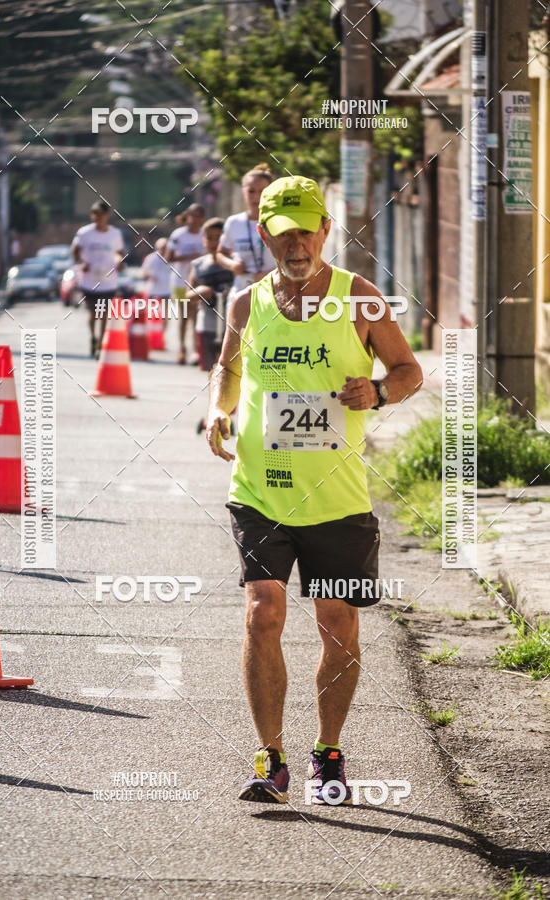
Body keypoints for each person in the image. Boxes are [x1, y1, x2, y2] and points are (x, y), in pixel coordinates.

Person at [206, 175, 423, 805]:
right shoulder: (248, 303)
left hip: (337, 499)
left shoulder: (360, 298)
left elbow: (408, 370)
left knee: (337, 623)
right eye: (282, 233)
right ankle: (269, 758)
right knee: (262, 612)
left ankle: (328, 750)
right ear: (266, 236)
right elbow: (228, 366)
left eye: (306, 229)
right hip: (260, 488)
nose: (295, 243)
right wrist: (217, 411)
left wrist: (379, 392)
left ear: (326, 229)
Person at [186, 218, 234, 432]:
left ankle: (228, 415)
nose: (214, 243)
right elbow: (184, 295)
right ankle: (213, 414)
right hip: (206, 325)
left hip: (230, 327)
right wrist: (200, 292)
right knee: (212, 372)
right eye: (210, 238)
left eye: (218, 238)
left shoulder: (234, 264)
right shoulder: (198, 265)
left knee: (231, 372)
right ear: (203, 240)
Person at [71, 200, 126, 357]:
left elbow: (119, 252)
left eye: (101, 215)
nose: (98, 218)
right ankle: (93, 337)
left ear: (107, 216)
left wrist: (119, 261)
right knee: (93, 313)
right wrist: (82, 263)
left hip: (108, 281)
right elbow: (75, 251)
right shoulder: (84, 233)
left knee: (103, 313)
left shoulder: (115, 234)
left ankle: (101, 343)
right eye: (95, 214)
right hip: (89, 280)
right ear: (92, 215)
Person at [217, 164, 276, 302]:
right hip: (241, 293)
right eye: (251, 191)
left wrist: (269, 274)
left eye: (262, 191)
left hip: (272, 293)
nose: (256, 196)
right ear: (244, 192)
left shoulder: (278, 222)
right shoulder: (233, 222)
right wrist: (232, 265)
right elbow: (220, 254)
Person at [164, 204, 205, 364]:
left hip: (199, 281)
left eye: (198, 216)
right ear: (187, 217)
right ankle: (182, 348)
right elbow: (168, 258)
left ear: (202, 218)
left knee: (195, 316)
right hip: (180, 281)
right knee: (185, 316)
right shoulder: (178, 235)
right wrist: (191, 256)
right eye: (192, 216)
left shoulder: (204, 234)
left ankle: (196, 350)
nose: (195, 219)